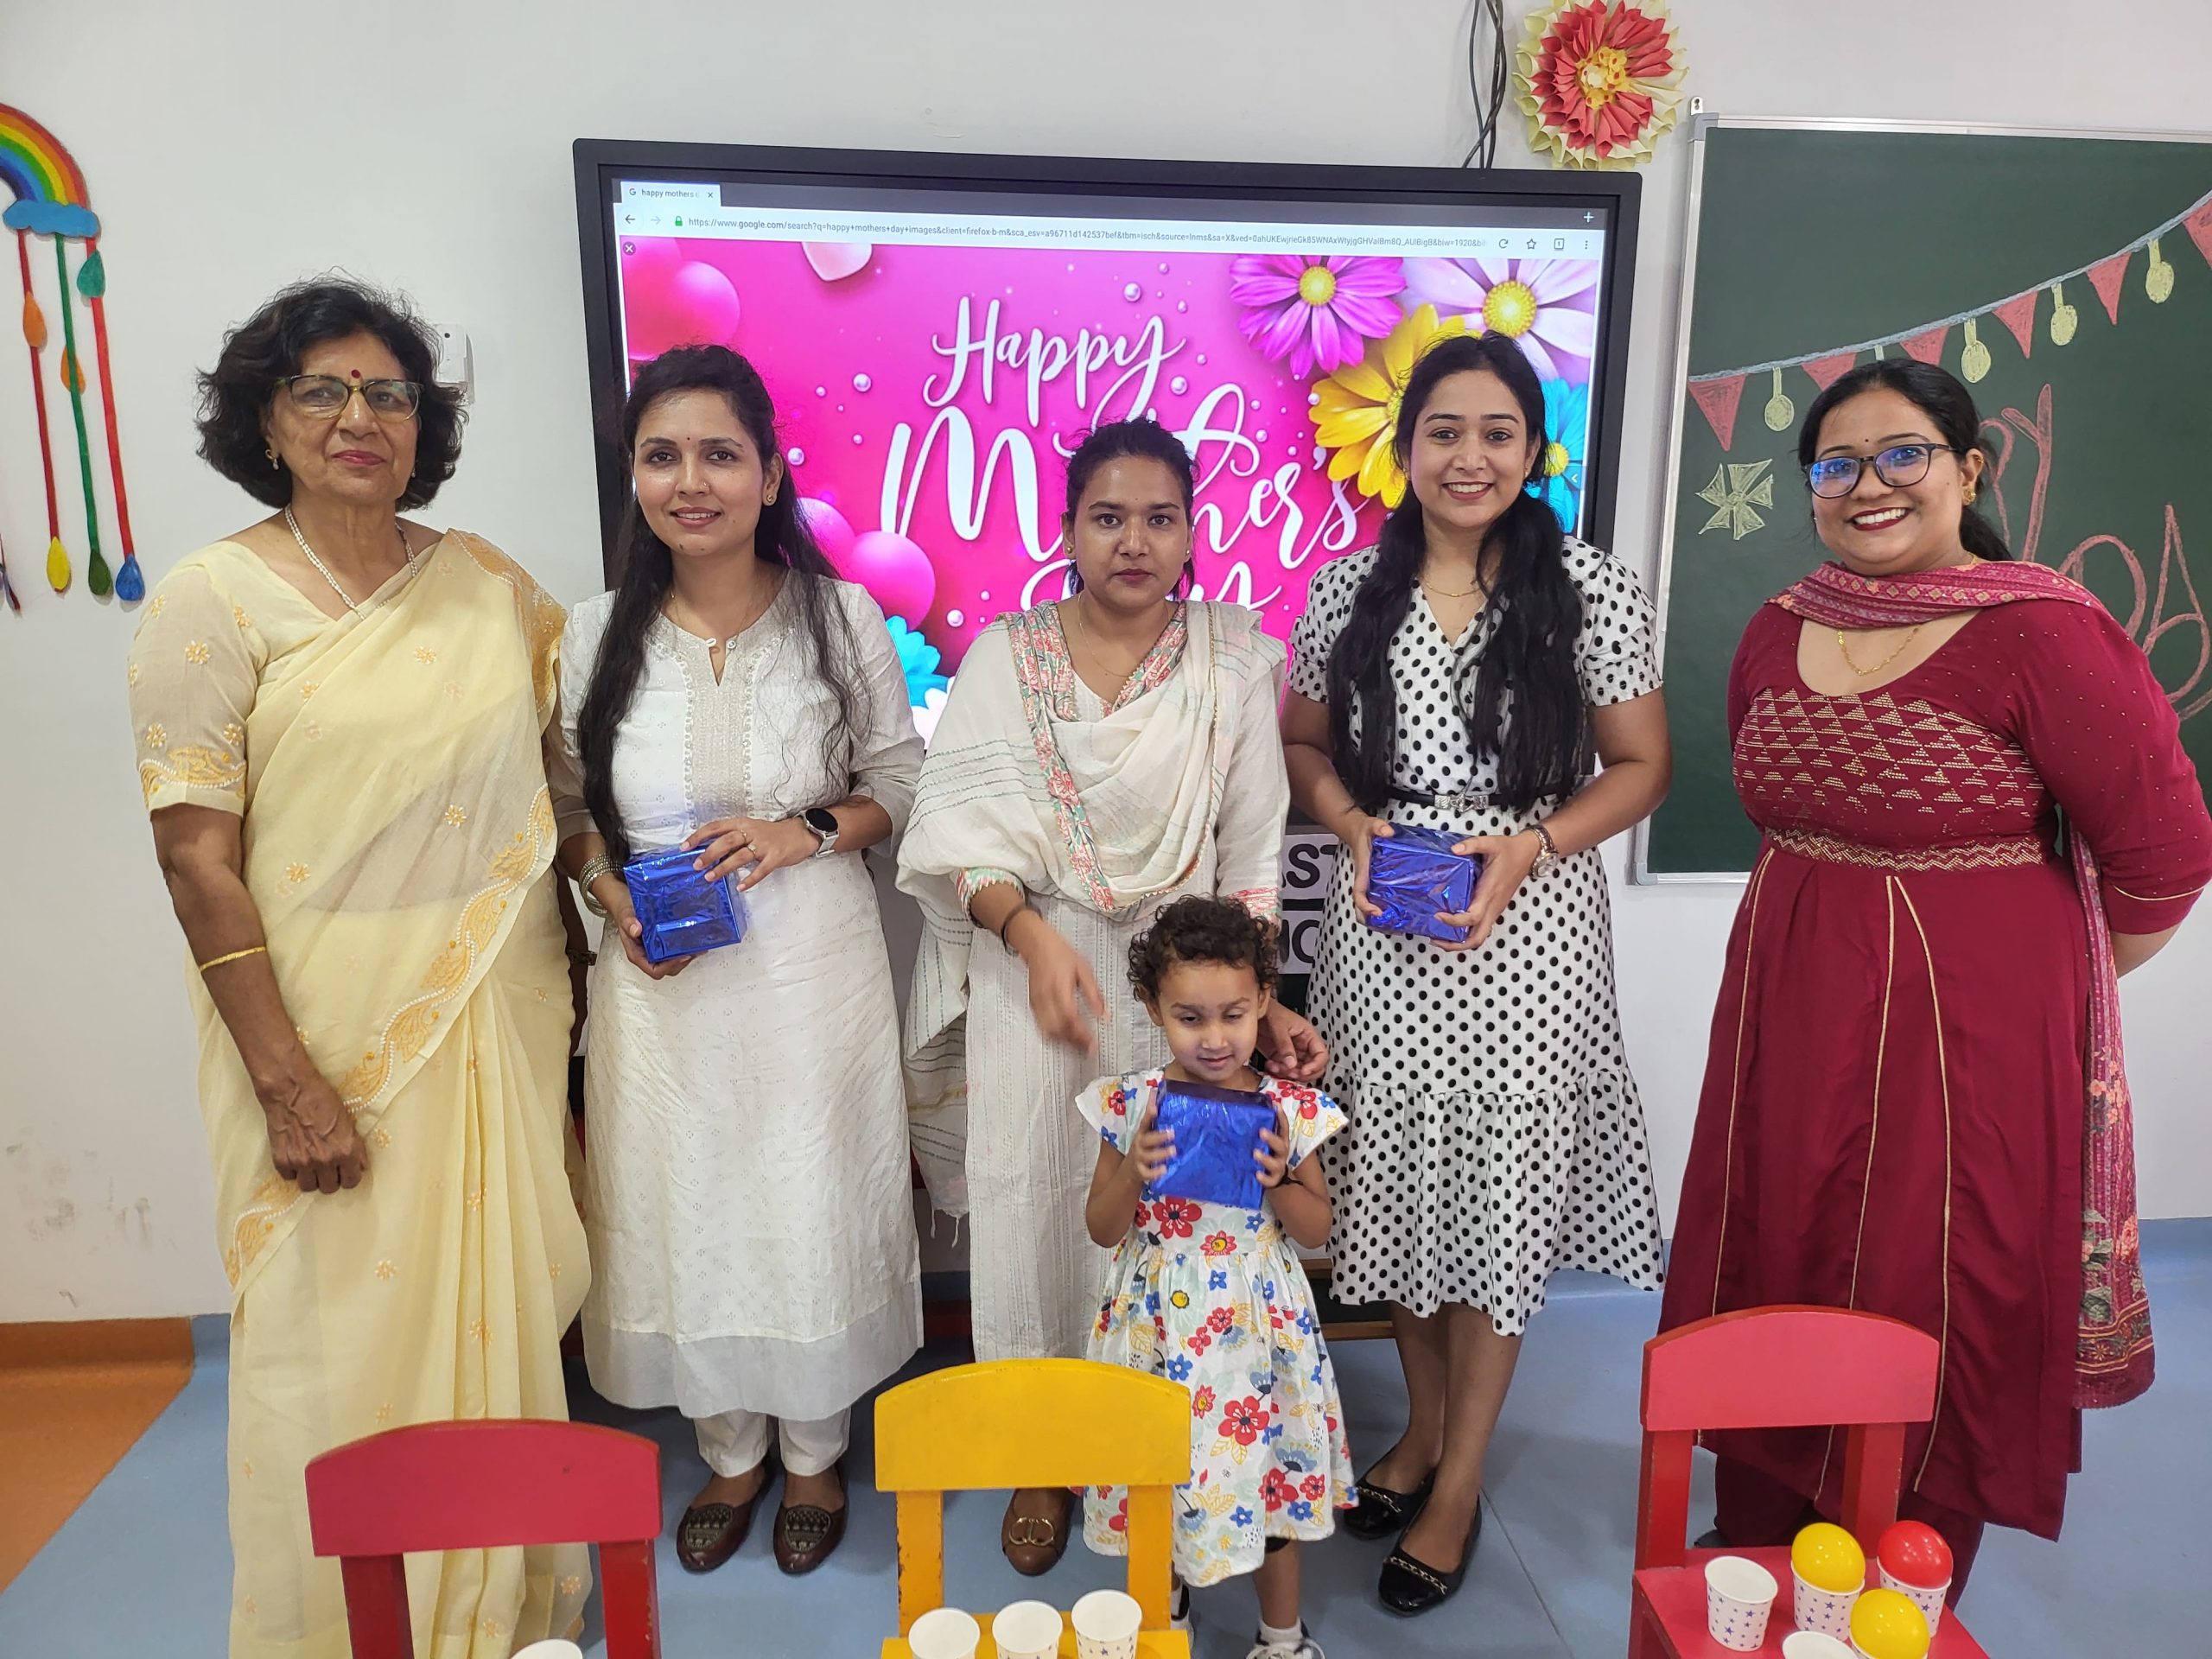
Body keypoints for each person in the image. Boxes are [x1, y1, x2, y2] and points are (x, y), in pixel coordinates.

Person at [1658, 359, 2212, 1598]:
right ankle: (1759, 1545)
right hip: (1787, 1014)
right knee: (1778, 1249)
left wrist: (2031, 994)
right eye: (1838, 463)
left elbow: (2165, 857)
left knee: (1936, 1283)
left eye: (1901, 454)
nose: (1870, 485)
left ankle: (1895, 1582)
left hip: (1972, 1048)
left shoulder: (2046, 634)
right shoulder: (1781, 624)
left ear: (1969, 469)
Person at [130, 279, 588, 1657]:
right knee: (328, 1340)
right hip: (321, 1035)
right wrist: (288, 1083)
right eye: (321, 390)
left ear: (423, 425)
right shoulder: (210, 599)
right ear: (265, 419)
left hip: (497, 1011)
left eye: (389, 394)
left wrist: (622, 901)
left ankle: (498, 1610)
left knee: (502, 1319)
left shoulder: (491, 587)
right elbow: (196, 862)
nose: (359, 418)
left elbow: (555, 795)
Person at [1280, 331, 1672, 1616]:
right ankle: (1419, 1430)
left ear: (1532, 449)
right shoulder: (1347, 590)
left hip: (1531, 931)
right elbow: (1302, 744)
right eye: (1443, 431)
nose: (1470, 456)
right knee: (1396, 1187)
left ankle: (1456, 1484)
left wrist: (1531, 847)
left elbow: (1641, 767)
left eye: (1498, 432)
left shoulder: (1590, 589)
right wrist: (1352, 826)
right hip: (1384, 927)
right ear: (1403, 449)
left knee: (1496, 1200)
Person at [898, 418, 1327, 1575]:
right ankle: (1040, 1450)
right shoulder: (1004, 658)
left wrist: (1259, 1004)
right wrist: (1033, 938)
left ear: (1191, 532)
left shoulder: (1234, 661)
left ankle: (1154, 1441)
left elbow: (1252, 852)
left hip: (1186, 991)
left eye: (1159, 518)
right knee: (1038, 1199)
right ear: (1068, 529)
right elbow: (959, 843)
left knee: (1170, 1215)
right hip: (1035, 973)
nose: (1133, 541)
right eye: (1107, 517)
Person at [549, 345, 924, 1578]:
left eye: (720, 454)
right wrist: (608, 894)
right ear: (636, 478)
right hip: (660, 986)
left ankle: (814, 1451)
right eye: (662, 457)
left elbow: (899, 783)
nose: (690, 482)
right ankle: (729, 1449)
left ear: (769, 473)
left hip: (809, 976)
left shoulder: (839, 616)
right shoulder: (591, 633)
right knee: (686, 1202)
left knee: (809, 1197)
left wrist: (800, 829)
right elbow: (569, 806)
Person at [1078, 896, 1353, 1659]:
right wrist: (1133, 1171)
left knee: (1269, 1488)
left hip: (1256, 1333)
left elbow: (1318, 1229)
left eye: (1233, 1015)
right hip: (1156, 1331)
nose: (1213, 1038)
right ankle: (1164, 1618)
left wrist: (1280, 1181)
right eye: (1189, 1018)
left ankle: (1281, 1636)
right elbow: (1101, 1227)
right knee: (1158, 1479)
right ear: (1152, 1007)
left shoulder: (1286, 1109)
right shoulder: (1131, 1103)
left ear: (1263, 1000)